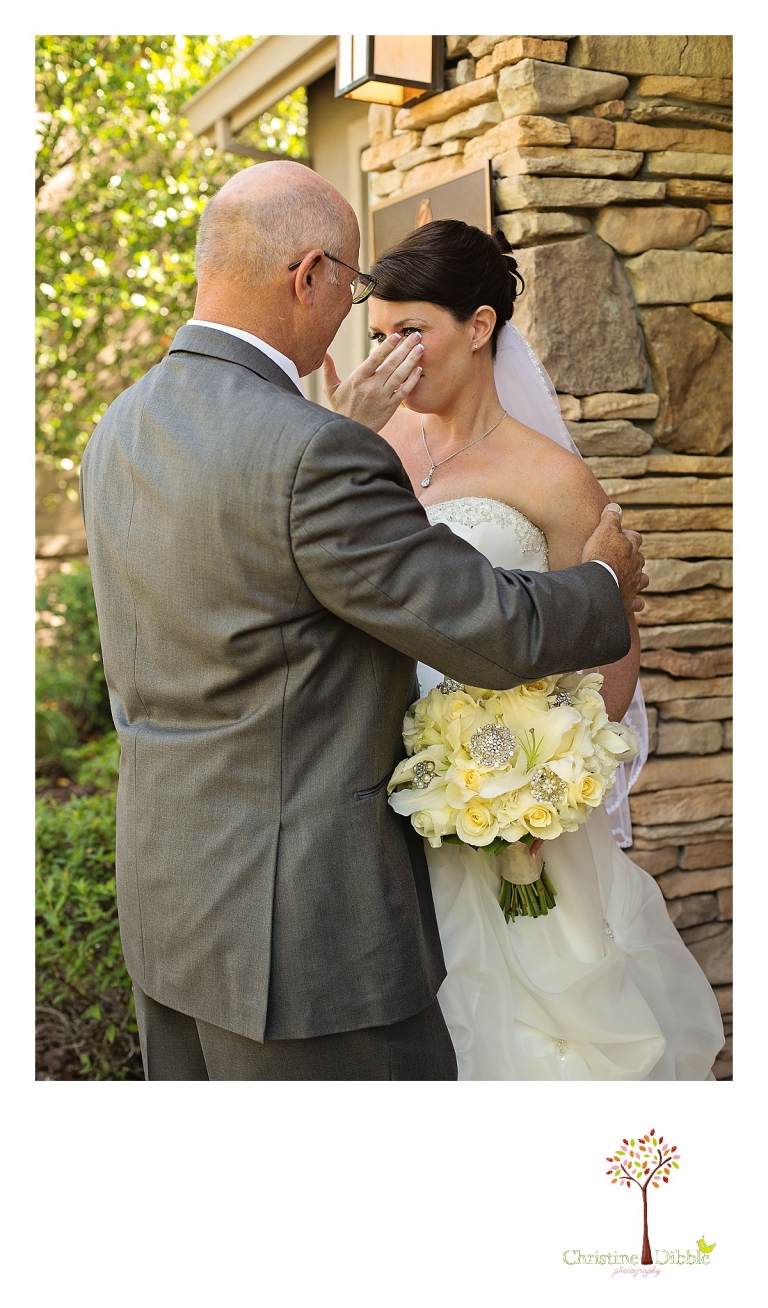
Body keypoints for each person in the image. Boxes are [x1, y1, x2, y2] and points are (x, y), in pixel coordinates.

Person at [80, 162, 646, 1081]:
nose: (354, 310)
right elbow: (489, 625)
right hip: (306, 934)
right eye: (350, 284)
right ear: (306, 274)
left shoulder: (123, 426)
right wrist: (603, 582)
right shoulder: (312, 447)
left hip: (170, 905)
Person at [361, 219, 724, 1080]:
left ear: (480, 326)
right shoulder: (373, 451)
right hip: (384, 796)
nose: (392, 359)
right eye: (379, 336)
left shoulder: (552, 480)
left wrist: (536, 785)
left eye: (413, 332)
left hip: (514, 809)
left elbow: (613, 659)